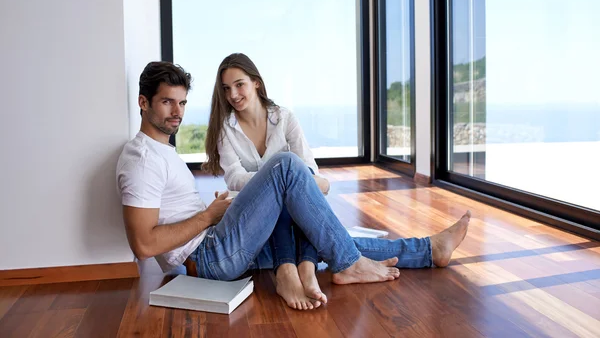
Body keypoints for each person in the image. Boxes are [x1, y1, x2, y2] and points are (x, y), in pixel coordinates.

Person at [117, 61, 472, 311]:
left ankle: (429, 249)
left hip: (214, 245)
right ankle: (346, 264)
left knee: (319, 239)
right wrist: (209, 216)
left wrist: (216, 216)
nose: (177, 112)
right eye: (167, 102)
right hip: (208, 257)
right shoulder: (142, 158)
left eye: (181, 102)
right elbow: (144, 244)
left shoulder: (161, 150)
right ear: (143, 103)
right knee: (287, 166)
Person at [203, 53, 331, 310]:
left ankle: (304, 268)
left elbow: (312, 172)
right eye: (226, 89)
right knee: (288, 181)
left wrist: (287, 183)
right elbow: (235, 178)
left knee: (299, 171)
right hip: (253, 209)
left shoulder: (284, 118)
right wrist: (276, 182)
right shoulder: (225, 129)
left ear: (256, 83)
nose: (233, 95)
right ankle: (293, 268)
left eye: (240, 85)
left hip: (295, 206)